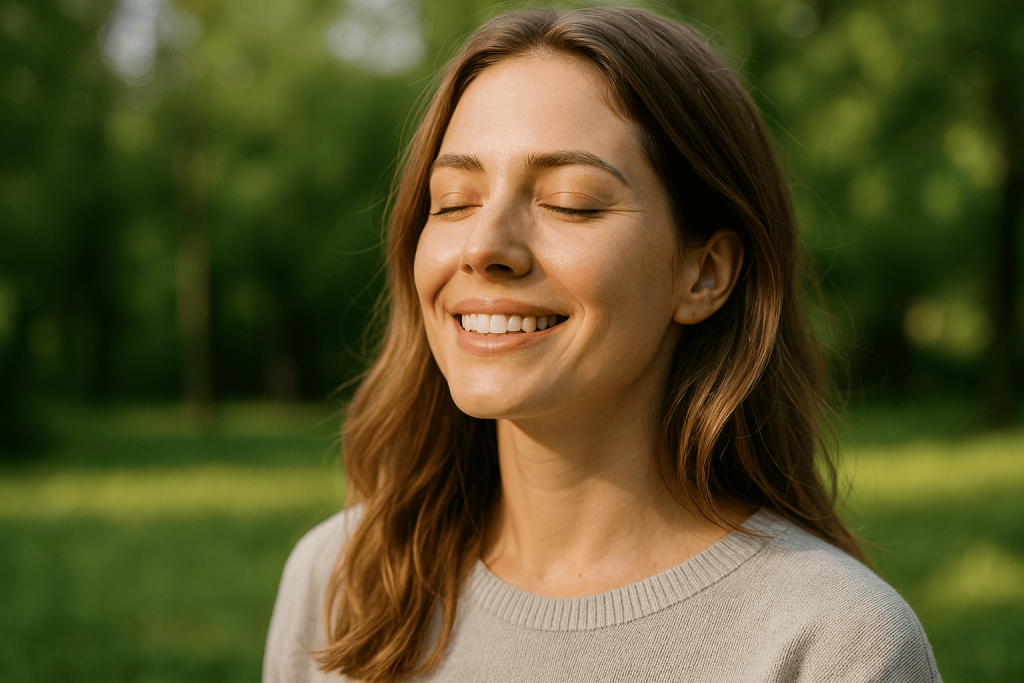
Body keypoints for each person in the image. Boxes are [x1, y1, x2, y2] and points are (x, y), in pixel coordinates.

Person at [263, 7, 941, 682]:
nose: (484, 246)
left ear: (704, 273)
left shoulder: (833, 642)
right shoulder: (342, 579)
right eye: (453, 201)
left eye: (570, 201)